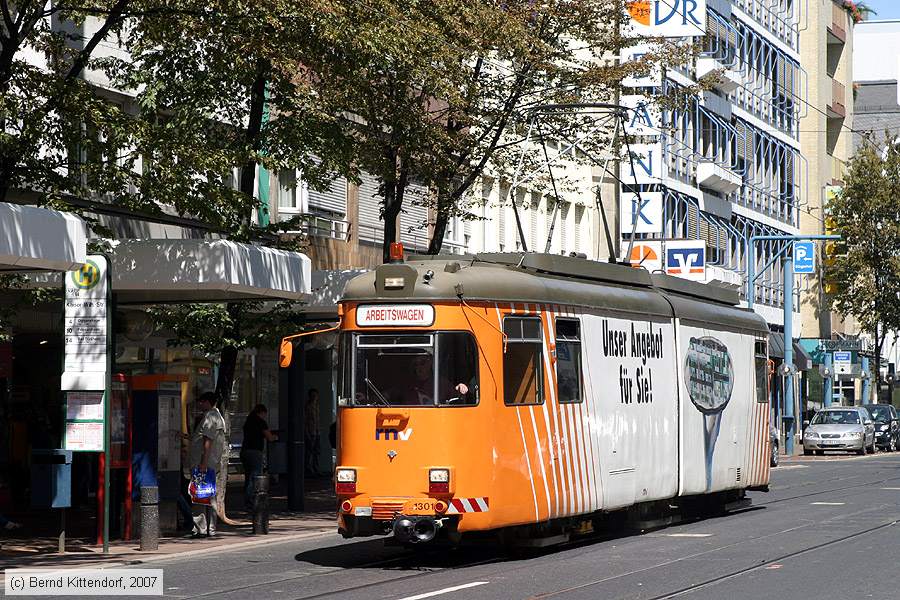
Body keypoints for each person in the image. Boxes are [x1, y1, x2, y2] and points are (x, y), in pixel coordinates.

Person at [189, 392, 226, 537]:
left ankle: (201, 529)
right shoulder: (218, 416)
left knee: (199, 495)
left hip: (204, 463)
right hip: (211, 462)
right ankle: (210, 528)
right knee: (210, 495)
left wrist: (203, 463)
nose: (199, 404)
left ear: (206, 402)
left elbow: (207, 441)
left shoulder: (210, 417)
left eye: (201, 402)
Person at [388, 355, 469, 405]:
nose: (419, 367)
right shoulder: (406, 384)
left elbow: (456, 397)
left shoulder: (441, 383)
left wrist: (461, 387)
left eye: (422, 363)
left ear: (430, 363)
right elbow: (388, 395)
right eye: (416, 364)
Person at [241, 404, 276, 508]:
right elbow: (269, 437)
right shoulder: (261, 422)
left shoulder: (248, 421)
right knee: (255, 477)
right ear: (262, 412)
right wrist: (275, 437)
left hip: (245, 451)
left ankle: (247, 499)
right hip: (255, 451)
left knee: (248, 477)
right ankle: (252, 500)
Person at [305, 389, 321, 477]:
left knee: (317, 451)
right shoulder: (308, 407)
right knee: (310, 451)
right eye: (313, 395)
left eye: (316, 395)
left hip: (317, 431)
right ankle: (309, 470)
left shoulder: (317, 406)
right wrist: (307, 432)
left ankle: (316, 469)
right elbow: (305, 421)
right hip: (311, 431)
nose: (314, 397)